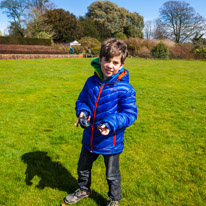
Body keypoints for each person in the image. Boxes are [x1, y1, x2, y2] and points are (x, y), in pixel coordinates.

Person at [64, 39, 137, 206]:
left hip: (111, 140)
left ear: (122, 65)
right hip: (90, 137)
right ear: (100, 59)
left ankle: (114, 199)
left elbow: (129, 114)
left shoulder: (125, 89)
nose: (110, 65)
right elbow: (82, 100)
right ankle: (83, 189)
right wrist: (83, 113)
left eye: (115, 62)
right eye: (107, 60)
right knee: (83, 167)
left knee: (112, 174)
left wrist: (111, 123)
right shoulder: (91, 82)